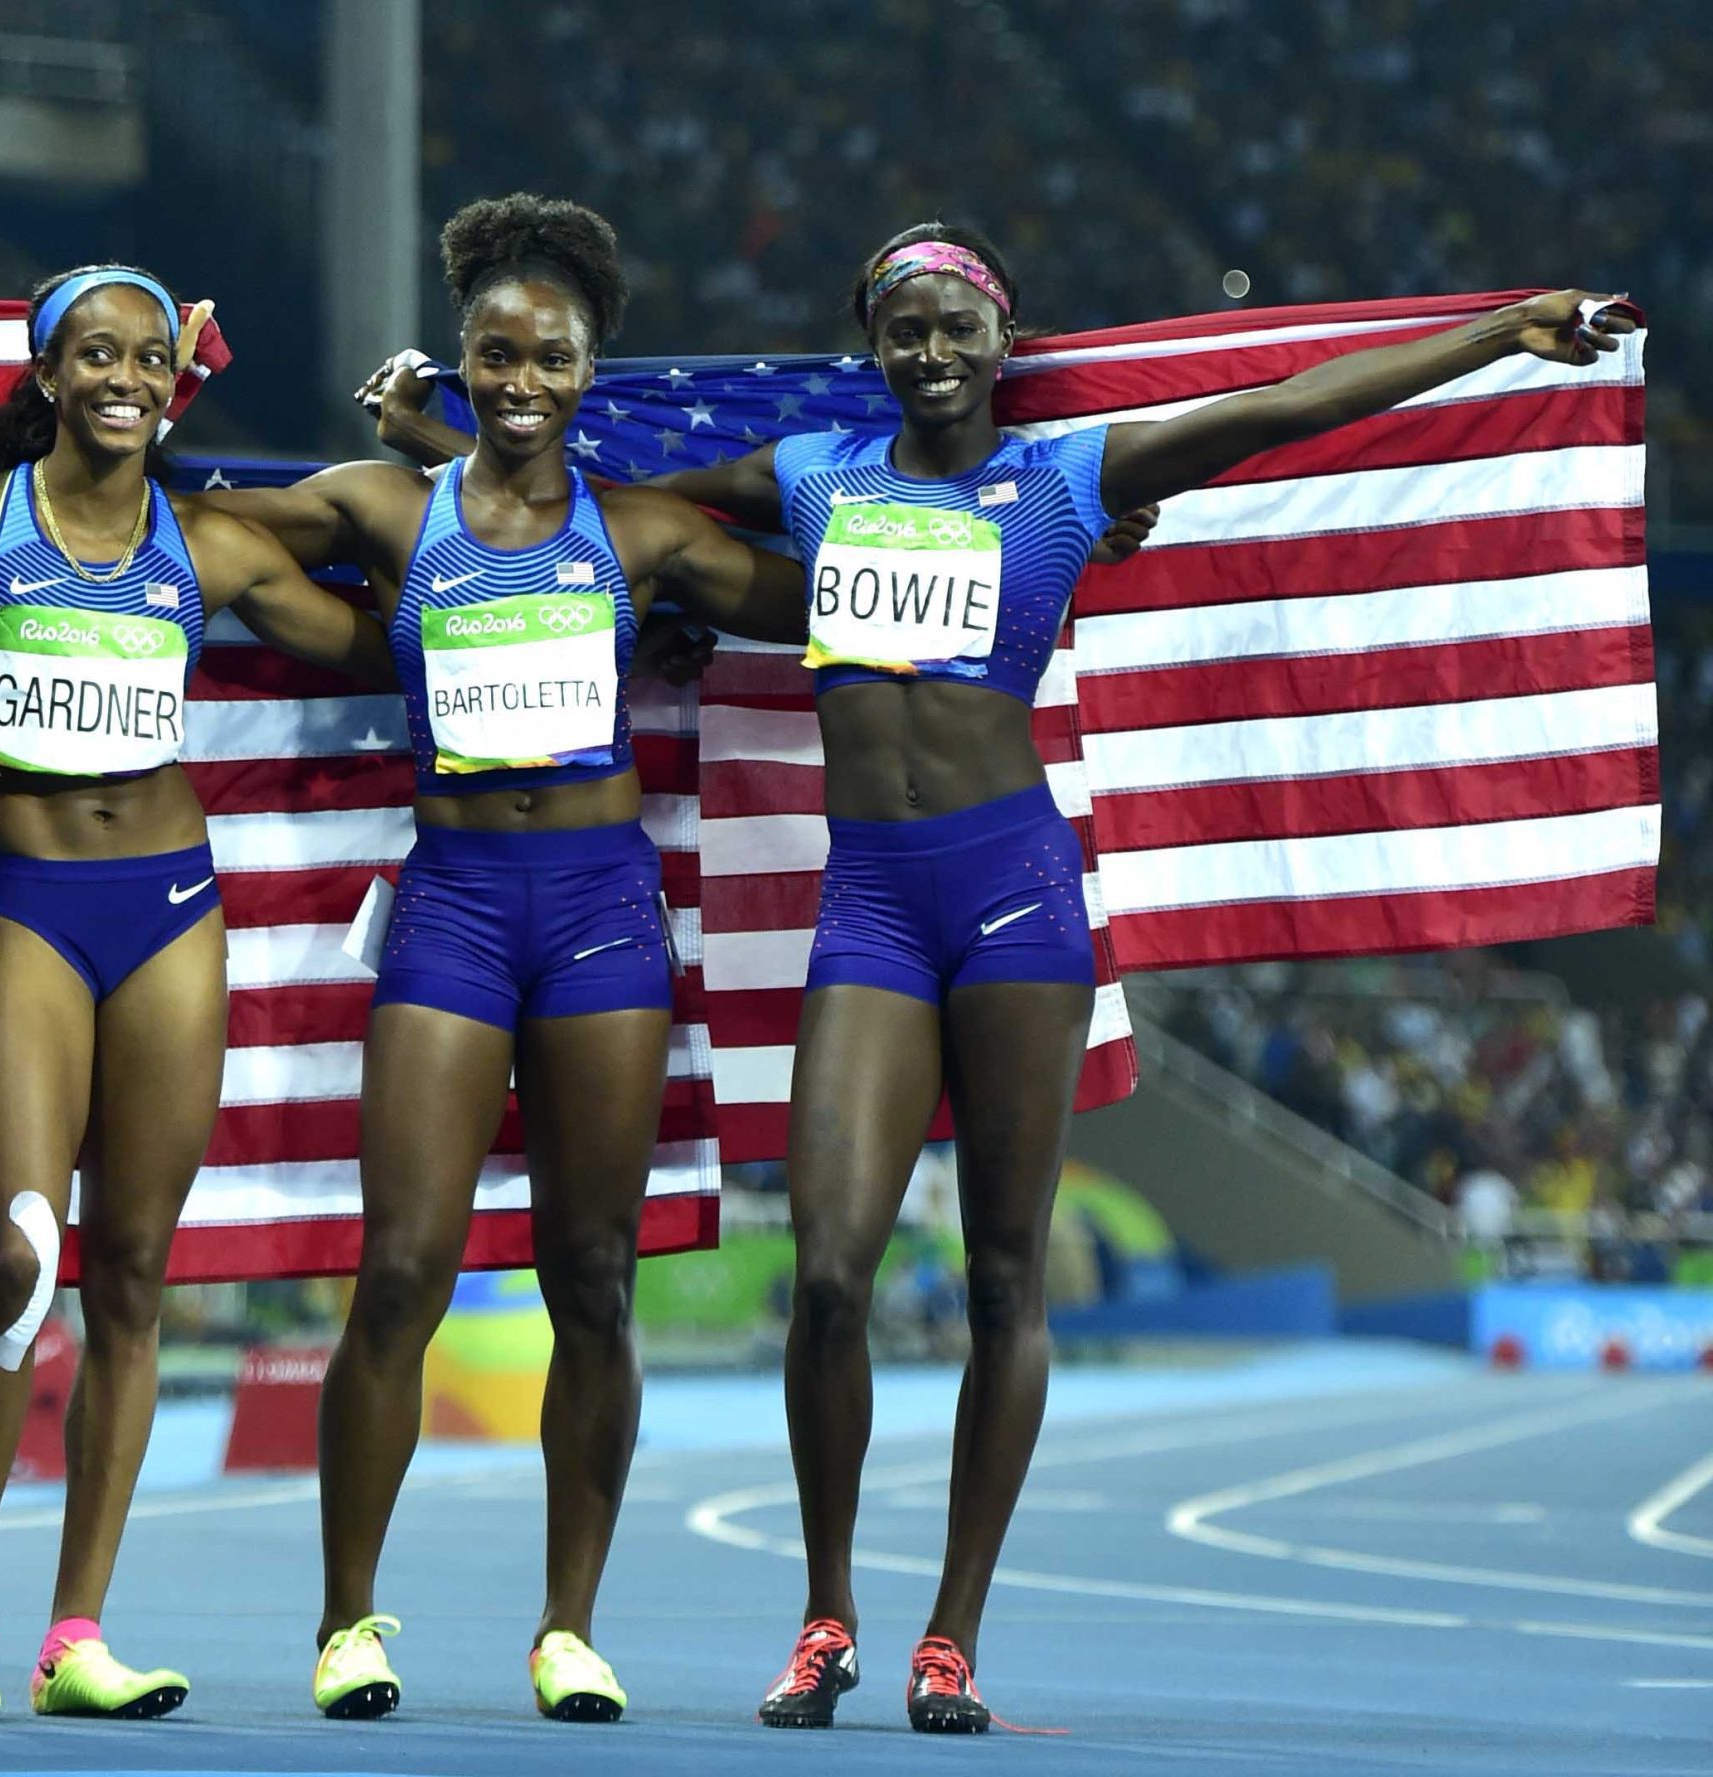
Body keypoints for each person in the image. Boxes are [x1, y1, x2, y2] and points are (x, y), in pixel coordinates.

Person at [596, 223, 1626, 1732]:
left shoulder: (1068, 478)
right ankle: (826, 1617)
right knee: (827, 1273)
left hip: (1014, 898)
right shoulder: (812, 472)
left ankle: (952, 1636)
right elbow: (603, 490)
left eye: (957, 326)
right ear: (871, 346)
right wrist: (444, 432)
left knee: (1007, 1272)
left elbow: (1280, 408)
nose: (931, 351)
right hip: (870, 906)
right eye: (904, 329)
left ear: (1001, 340)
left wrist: (1499, 332)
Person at [199, 194, 811, 1724]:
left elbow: (835, 600)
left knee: (590, 1275)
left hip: (600, 913)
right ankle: (347, 1621)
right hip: (457, 908)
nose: (520, 378)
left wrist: (1036, 537)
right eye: (494, 352)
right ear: (458, 359)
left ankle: (569, 1627)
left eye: (548, 356)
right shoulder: (384, 510)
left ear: (589, 371)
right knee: (402, 1266)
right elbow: (189, 534)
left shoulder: (644, 532)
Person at [0, 262, 393, 1723]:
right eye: (93, 354)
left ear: (176, 382)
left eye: (150, 358)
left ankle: (77, 1633)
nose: (124, 377)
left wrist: (555, 610)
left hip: (170, 911)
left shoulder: (206, 545)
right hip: (30, 910)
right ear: (46, 373)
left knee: (138, 1271)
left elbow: (382, 644)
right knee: (19, 1257)